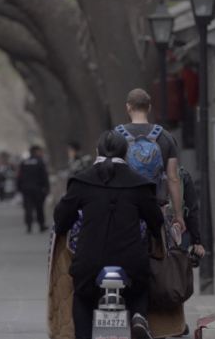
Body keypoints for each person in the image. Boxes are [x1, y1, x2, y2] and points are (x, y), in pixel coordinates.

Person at [54, 131, 164, 339]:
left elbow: (61, 220)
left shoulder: (81, 181)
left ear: (97, 152)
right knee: (140, 288)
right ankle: (139, 316)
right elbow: (156, 222)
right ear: (126, 153)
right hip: (131, 263)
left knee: (83, 298)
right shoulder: (140, 184)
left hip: (89, 262)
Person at [116, 88, 187, 233]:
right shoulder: (166, 137)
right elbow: (173, 178)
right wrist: (178, 215)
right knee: (161, 250)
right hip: (156, 209)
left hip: (124, 208)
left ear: (128, 107)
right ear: (149, 108)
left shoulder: (116, 136)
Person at [17, 145, 50, 233]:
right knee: (39, 207)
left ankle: (29, 226)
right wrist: (47, 187)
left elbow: (19, 176)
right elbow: (44, 176)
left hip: (26, 189)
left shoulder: (24, 162)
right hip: (38, 188)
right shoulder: (40, 162)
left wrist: (19, 188)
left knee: (28, 207)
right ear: (36, 151)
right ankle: (41, 225)